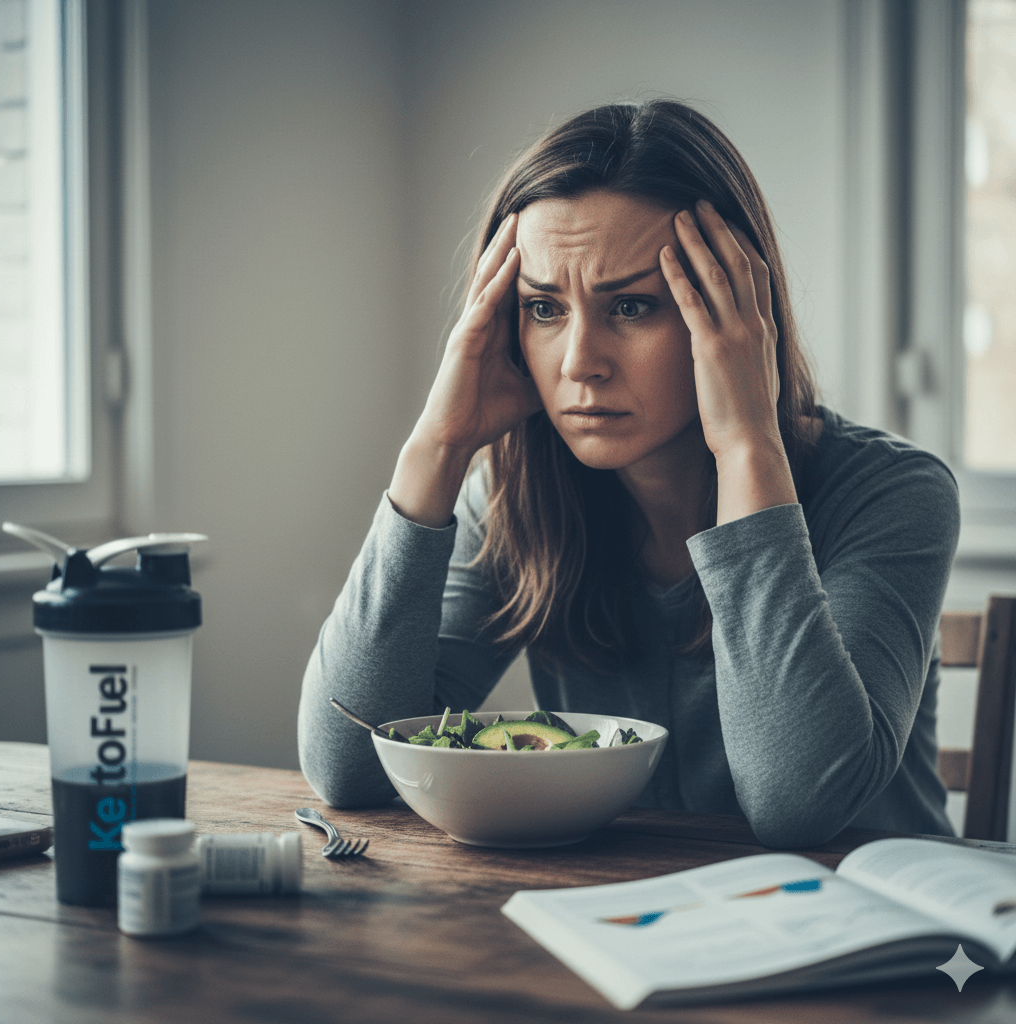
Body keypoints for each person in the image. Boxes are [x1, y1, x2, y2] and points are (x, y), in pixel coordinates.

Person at [297, 99, 959, 848]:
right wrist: (435, 448)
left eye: (633, 306)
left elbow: (798, 804)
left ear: (737, 313)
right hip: (623, 926)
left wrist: (746, 442)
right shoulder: (517, 499)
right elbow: (346, 765)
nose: (580, 362)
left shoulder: (895, 494)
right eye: (543, 308)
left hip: (877, 940)